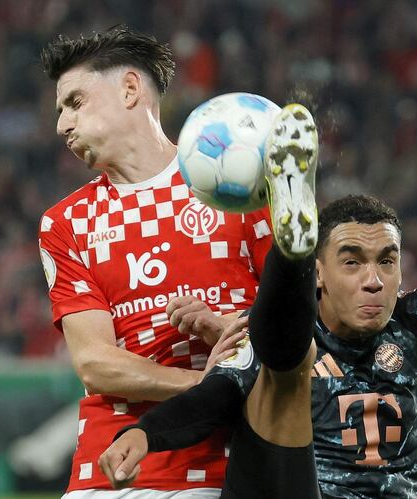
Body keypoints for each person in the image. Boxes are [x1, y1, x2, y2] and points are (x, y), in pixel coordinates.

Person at [100, 83, 417, 498]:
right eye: (352, 261)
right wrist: (145, 433)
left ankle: (289, 242)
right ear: (321, 274)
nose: (373, 279)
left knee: (277, 357)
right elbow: (213, 397)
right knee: (279, 362)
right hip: (294, 485)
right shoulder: (280, 334)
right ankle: (290, 244)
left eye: (386, 262)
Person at [38, 26, 272, 498]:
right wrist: (203, 383)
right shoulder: (65, 223)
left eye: (75, 102)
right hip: (108, 468)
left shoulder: (238, 187)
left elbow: (304, 319)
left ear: (129, 89)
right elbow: (94, 363)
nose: (61, 124)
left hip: (224, 462)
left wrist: (229, 331)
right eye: (60, 109)